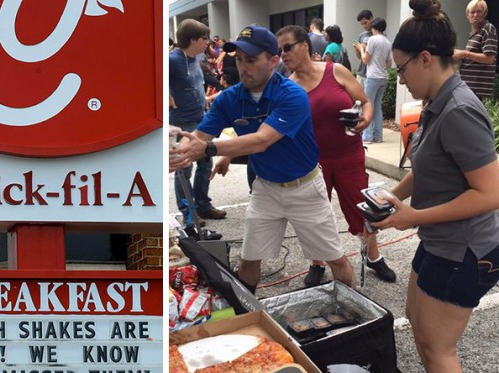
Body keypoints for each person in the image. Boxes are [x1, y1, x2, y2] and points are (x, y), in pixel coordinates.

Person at [375, 1, 499, 373]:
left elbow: (491, 192)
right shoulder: (436, 100)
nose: (400, 78)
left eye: (402, 68)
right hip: (441, 240)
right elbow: (428, 166)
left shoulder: (460, 109)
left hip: (466, 250)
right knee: (416, 318)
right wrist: (394, 196)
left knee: (438, 345)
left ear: (426, 58)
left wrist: (411, 217)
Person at [169, 25, 355, 293]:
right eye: (239, 59)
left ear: (273, 61)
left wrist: (210, 150)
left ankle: (352, 311)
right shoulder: (229, 99)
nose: (244, 67)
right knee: (248, 258)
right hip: (266, 189)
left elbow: (262, 141)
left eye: (252, 59)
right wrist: (177, 151)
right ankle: (245, 315)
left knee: (334, 257)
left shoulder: (292, 95)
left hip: (305, 188)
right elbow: (198, 136)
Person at [276, 25, 397, 287]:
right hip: (312, 162)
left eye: (287, 47)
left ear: (305, 46)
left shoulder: (336, 71)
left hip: (348, 155)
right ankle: (317, 262)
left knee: (362, 208)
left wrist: (365, 120)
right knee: (314, 214)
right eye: (279, 51)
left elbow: (365, 102)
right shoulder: (287, 87)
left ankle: (373, 257)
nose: (283, 54)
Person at [169, 19, 227, 226]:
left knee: (205, 163)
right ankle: (188, 213)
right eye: (204, 38)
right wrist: (166, 93)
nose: (208, 42)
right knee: (184, 169)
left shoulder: (197, 57)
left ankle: (203, 205)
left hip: (201, 119)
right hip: (181, 121)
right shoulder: (173, 59)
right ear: (193, 39)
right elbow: (150, 75)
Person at [453, 0, 498, 99]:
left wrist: (464, 53)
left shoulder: (488, 28)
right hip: (469, 86)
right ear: (467, 15)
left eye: (479, 11)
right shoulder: (474, 32)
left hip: (477, 89)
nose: (475, 15)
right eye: (472, 12)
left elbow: (489, 59)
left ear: (485, 14)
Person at [357, 18, 392, 143]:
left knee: (367, 106)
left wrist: (361, 49)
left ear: (374, 28)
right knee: (377, 107)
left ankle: (367, 136)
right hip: (383, 77)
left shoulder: (372, 39)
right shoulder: (387, 42)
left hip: (372, 77)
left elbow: (365, 60)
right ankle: (378, 136)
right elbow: (389, 64)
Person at [353, 10, 374, 88]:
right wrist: (357, 50)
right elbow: (360, 58)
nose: (364, 26)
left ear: (371, 19)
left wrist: (364, 47)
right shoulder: (362, 35)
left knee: (370, 99)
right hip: (361, 73)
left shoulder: (379, 34)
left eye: (365, 22)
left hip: (372, 75)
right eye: (362, 24)